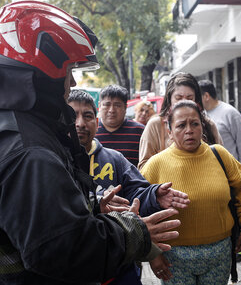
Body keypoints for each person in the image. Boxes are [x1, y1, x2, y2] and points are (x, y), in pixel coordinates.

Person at [0, 1, 182, 285]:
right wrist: (131, 232)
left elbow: (22, 223)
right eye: (69, 69)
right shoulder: (28, 151)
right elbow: (62, 250)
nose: (72, 81)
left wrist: (89, 210)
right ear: (45, 68)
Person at [68, 89, 190, 285]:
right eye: (73, 116)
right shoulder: (53, 161)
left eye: (88, 115)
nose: (80, 123)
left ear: (96, 123)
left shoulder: (114, 159)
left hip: (121, 266)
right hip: (75, 266)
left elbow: (137, 192)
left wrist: (154, 195)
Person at [141, 100, 241, 284]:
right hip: (173, 257)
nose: (189, 130)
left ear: (202, 127)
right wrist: (153, 254)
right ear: (170, 132)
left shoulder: (220, 155)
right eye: (181, 125)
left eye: (195, 124)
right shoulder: (155, 165)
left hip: (219, 252)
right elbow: (140, 213)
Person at [138, 72, 223, 169]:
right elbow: (144, 168)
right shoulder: (156, 125)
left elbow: (221, 160)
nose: (184, 103)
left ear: (196, 100)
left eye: (189, 98)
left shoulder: (208, 124)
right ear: (169, 99)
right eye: (178, 98)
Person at [199, 79, 241, 166]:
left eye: (197, 97)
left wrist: (239, 167)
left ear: (206, 96)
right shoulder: (202, 114)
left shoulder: (230, 113)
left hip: (231, 170)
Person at [96, 84, 145, 166]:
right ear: (99, 106)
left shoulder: (140, 131)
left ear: (125, 107)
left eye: (117, 105)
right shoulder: (90, 130)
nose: (111, 110)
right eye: (107, 105)